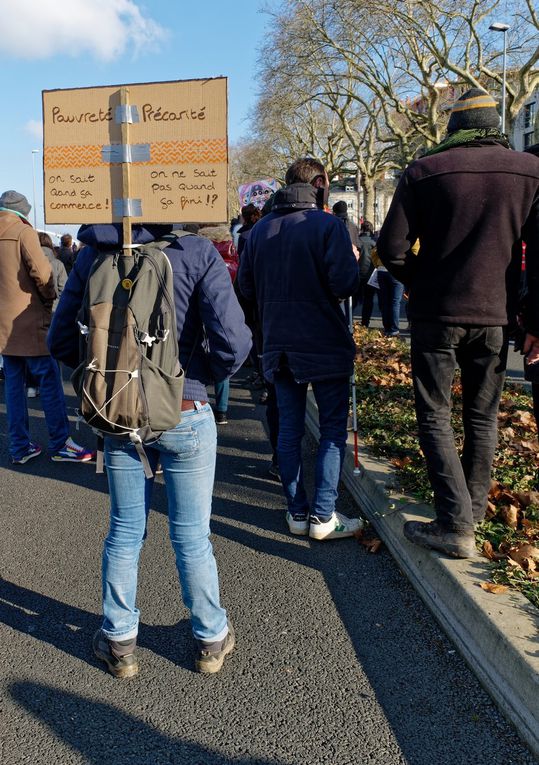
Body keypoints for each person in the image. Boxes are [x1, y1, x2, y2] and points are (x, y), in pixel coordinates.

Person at [48, 222, 251, 677]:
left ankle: (119, 640)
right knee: (192, 536)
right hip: (186, 408)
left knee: (124, 530)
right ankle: (210, 638)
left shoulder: (93, 253)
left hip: (120, 415)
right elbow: (234, 342)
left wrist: (105, 383)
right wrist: (200, 378)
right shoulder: (197, 251)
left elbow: (60, 339)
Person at [377, 88, 539, 558]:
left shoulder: (424, 171)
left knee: (434, 415)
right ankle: (472, 510)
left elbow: (391, 249)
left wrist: (420, 280)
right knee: (481, 416)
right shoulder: (528, 172)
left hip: (436, 314)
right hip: (495, 314)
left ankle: (455, 522)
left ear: (452, 128)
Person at [238, 157, 363, 540]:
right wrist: (359, 264)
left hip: (279, 343)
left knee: (289, 430)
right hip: (323, 340)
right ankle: (323, 515)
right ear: (321, 183)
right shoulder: (329, 226)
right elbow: (345, 284)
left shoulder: (258, 232)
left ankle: (297, 512)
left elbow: (245, 289)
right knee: (330, 430)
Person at [0, 190, 94, 465]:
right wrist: (48, 298)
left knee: (14, 385)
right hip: (30, 321)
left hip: (4, 327)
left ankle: (19, 447)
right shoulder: (22, 232)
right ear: (24, 212)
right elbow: (43, 274)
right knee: (50, 380)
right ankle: (60, 442)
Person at [198, 223, 241, 425]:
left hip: (200, 308)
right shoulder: (230, 252)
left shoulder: (199, 249)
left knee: (195, 355)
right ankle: (222, 409)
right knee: (222, 356)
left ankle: (197, 401)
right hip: (226, 309)